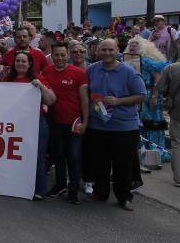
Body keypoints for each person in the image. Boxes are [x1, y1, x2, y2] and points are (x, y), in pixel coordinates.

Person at [85, 39, 147, 211]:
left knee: (123, 165)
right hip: (98, 126)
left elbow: (141, 95)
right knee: (100, 163)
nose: (106, 53)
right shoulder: (91, 70)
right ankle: (101, 193)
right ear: (98, 50)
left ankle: (124, 197)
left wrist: (119, 101)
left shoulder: (128, 71)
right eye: (103, 49)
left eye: (110, 50)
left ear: (117, 50)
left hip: (124, 127)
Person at [40, 42, 89, 204]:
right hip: (54, 122)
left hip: (74, 122)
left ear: (67, 55)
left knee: (74, 157)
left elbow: (84, 99)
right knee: (58, 155)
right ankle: (60, 184)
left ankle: (73, 189)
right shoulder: (46, 71)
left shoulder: (78, 73)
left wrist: (85, 121)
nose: (60, 58)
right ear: (51, 56)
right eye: (56, 55)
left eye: (62, 55)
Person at [3, 50, 56, 201]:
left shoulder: (37, 78)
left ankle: (39, 189)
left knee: (37, 156)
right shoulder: (8, 79)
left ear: (30, 64)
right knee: (15, 156)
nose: (20, 64)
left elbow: (51, 100)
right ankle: (17, 185)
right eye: (17, 61)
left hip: (36, 122)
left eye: (23, 61)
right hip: (14, 124)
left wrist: (41, 86)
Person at [125, 36, 171, 162]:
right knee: (137, 122)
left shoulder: (147, 61)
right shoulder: (128, 61)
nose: (133, 47)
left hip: (150, 95)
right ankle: (139, 150)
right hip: (135, 96)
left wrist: (155, 96)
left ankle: (152, 152)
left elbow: (158, 80)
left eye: (136, 45)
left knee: (151, 123)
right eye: (131, 44)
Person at [156, 58, 180, 186]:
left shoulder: (172, 68)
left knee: (177, 144)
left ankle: (179, 178)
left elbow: (161, 88)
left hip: (177, 111)